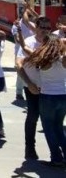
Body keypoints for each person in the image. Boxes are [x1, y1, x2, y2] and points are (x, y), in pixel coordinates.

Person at [22, 35, 66, 167]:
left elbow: (24, 47)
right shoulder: (64, 59)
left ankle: (56, 157)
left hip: (47, 96)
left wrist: (18, 32)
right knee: (58, 127)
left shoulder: (42, 59)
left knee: (48, 128)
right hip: (63, 95)